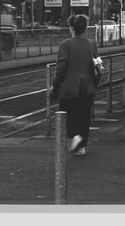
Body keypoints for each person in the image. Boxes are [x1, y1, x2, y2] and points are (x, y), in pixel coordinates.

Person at [51, 13, 99, 155]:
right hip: (87, 88)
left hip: (69, 88)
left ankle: (75, 137)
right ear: (85, 28)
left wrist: (55, 84)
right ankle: (81, 147)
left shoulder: (65, 45)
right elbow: (97, 64)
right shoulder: (91, 44)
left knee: (65, 116)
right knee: (83, 117)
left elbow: (61, 68)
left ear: (72, 28)